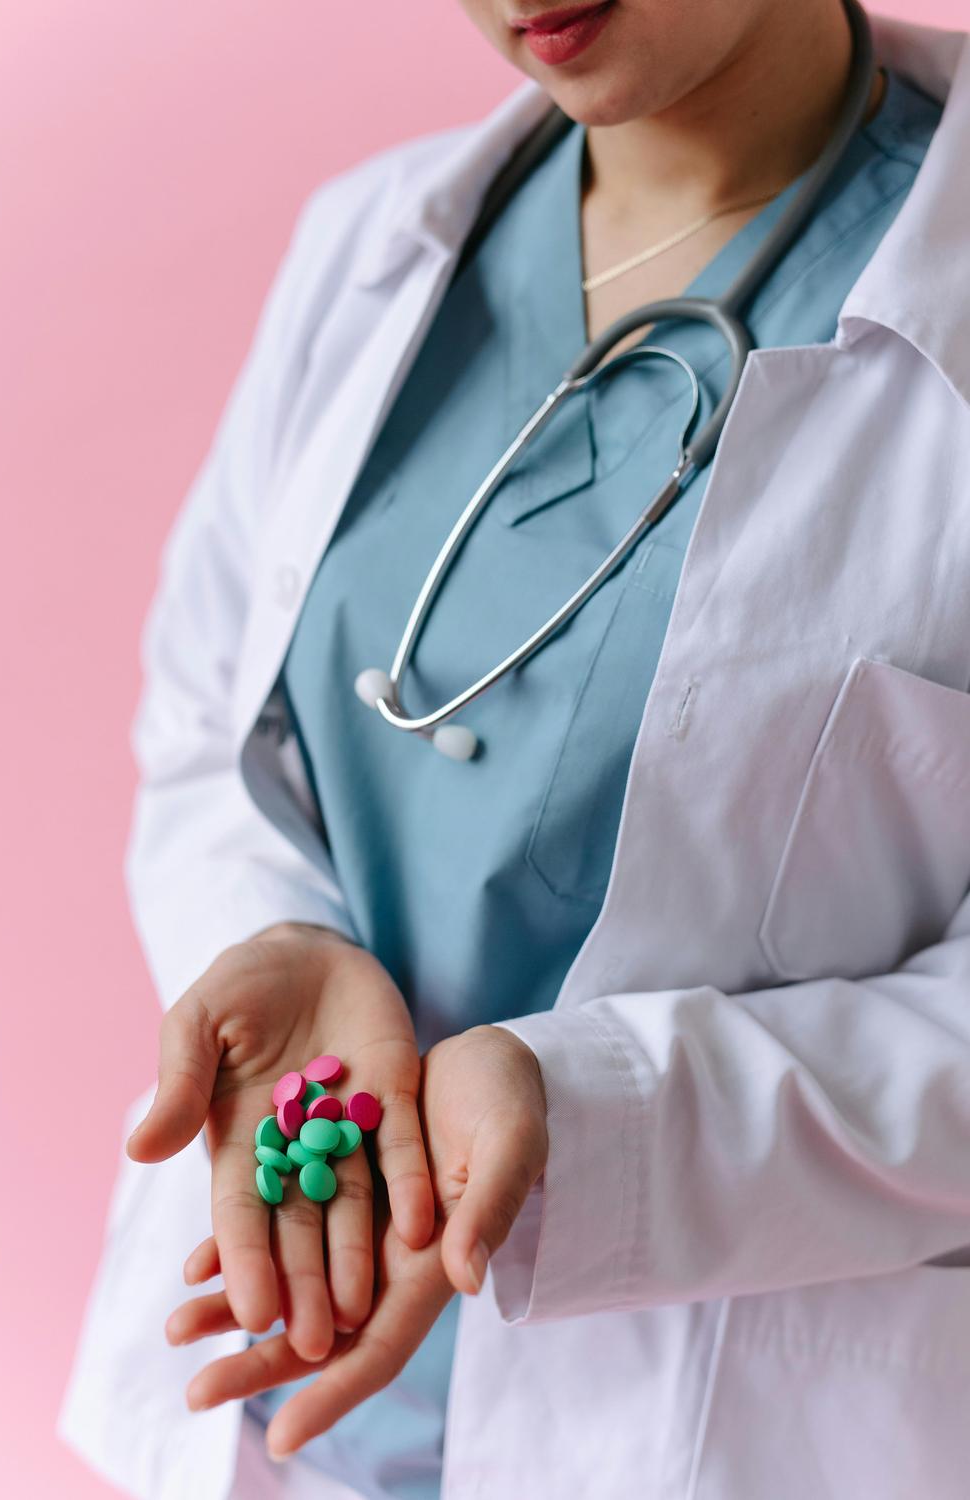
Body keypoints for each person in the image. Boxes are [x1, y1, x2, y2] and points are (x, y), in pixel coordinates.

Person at [57, 2, 970, 1497]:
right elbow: (205, 729)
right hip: (296, 1415)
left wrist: (596, 1118)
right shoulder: (371, 248)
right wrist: (273, 934)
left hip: (729, 1433)